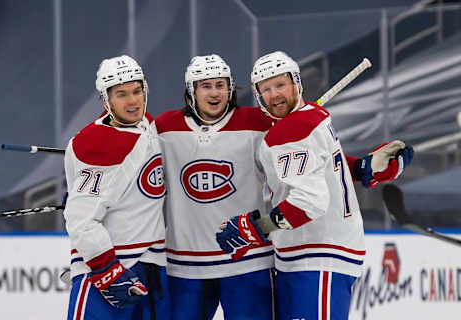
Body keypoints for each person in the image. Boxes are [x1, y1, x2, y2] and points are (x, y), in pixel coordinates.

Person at [215, 51, 414, 319]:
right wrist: (362, 168)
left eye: (280, 84)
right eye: (267, 89)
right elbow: (326, 164)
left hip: (316, 255)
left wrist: (256, 228)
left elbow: (308, 203)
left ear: (296, 83)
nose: (275, 95)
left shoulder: (290, 131)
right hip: (316, 254)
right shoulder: (311, 116)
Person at [155, 54, 276, 319]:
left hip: (247, 261)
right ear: (191, 91)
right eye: (206, 85)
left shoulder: (258, 123)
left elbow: (302, 153)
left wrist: (358, 167)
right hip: (185, 265)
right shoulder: (164, 128)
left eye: (221, 85)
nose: (215, 92)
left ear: (230, 88)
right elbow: (135, 170)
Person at [63, 55, 170, 320]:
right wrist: (105, 268)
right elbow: (80, 221)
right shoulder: (95, 145)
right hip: (110, 270)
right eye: (121, 94)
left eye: (137, 91)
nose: (133, 101)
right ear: (105, 99)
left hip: (153, 267)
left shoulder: (150, 130)